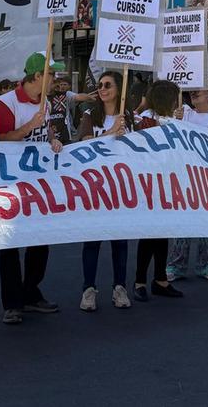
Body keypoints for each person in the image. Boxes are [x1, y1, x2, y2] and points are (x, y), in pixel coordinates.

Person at [0, 53, 64, 325]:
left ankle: (31, 292)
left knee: (40, 240)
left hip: (38, 181)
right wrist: (29, 126)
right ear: (37, 76)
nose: (55, 79)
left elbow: (44, 134)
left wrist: (52, 140)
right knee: (10, 244)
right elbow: (3, 139)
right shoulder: (6, 103)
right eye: (52, 74)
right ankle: (12, 303)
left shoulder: (43, 102)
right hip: (10, 183)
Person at [76, 70, 134, 311]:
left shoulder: (131, 118)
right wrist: (111, 134)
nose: (102, 89)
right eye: (100, 85)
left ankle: (120, 288)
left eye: (107, 85)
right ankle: (88, 289)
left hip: (121, 188)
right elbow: (83, 145)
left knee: (120, 241)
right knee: (92, 242)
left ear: (118, 89)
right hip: (96, 188)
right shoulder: (90, 115)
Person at [168, 86, 208, 282]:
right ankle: (177, 265)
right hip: (185, 175)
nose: (194, 93)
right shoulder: (183, 112)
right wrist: (175, 119)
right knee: (183, 222)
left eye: (199, 91)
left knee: (207, 221)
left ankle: (205, 264)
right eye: (192, 91)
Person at [132, 80, 183, 302]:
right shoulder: (146, 121)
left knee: (163, 233)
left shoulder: (171, 120)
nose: (177, 103)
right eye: (174, 98)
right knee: (149, 234)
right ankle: (140, 280)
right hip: (149, 183)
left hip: (167, 182)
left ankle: (160, 279)